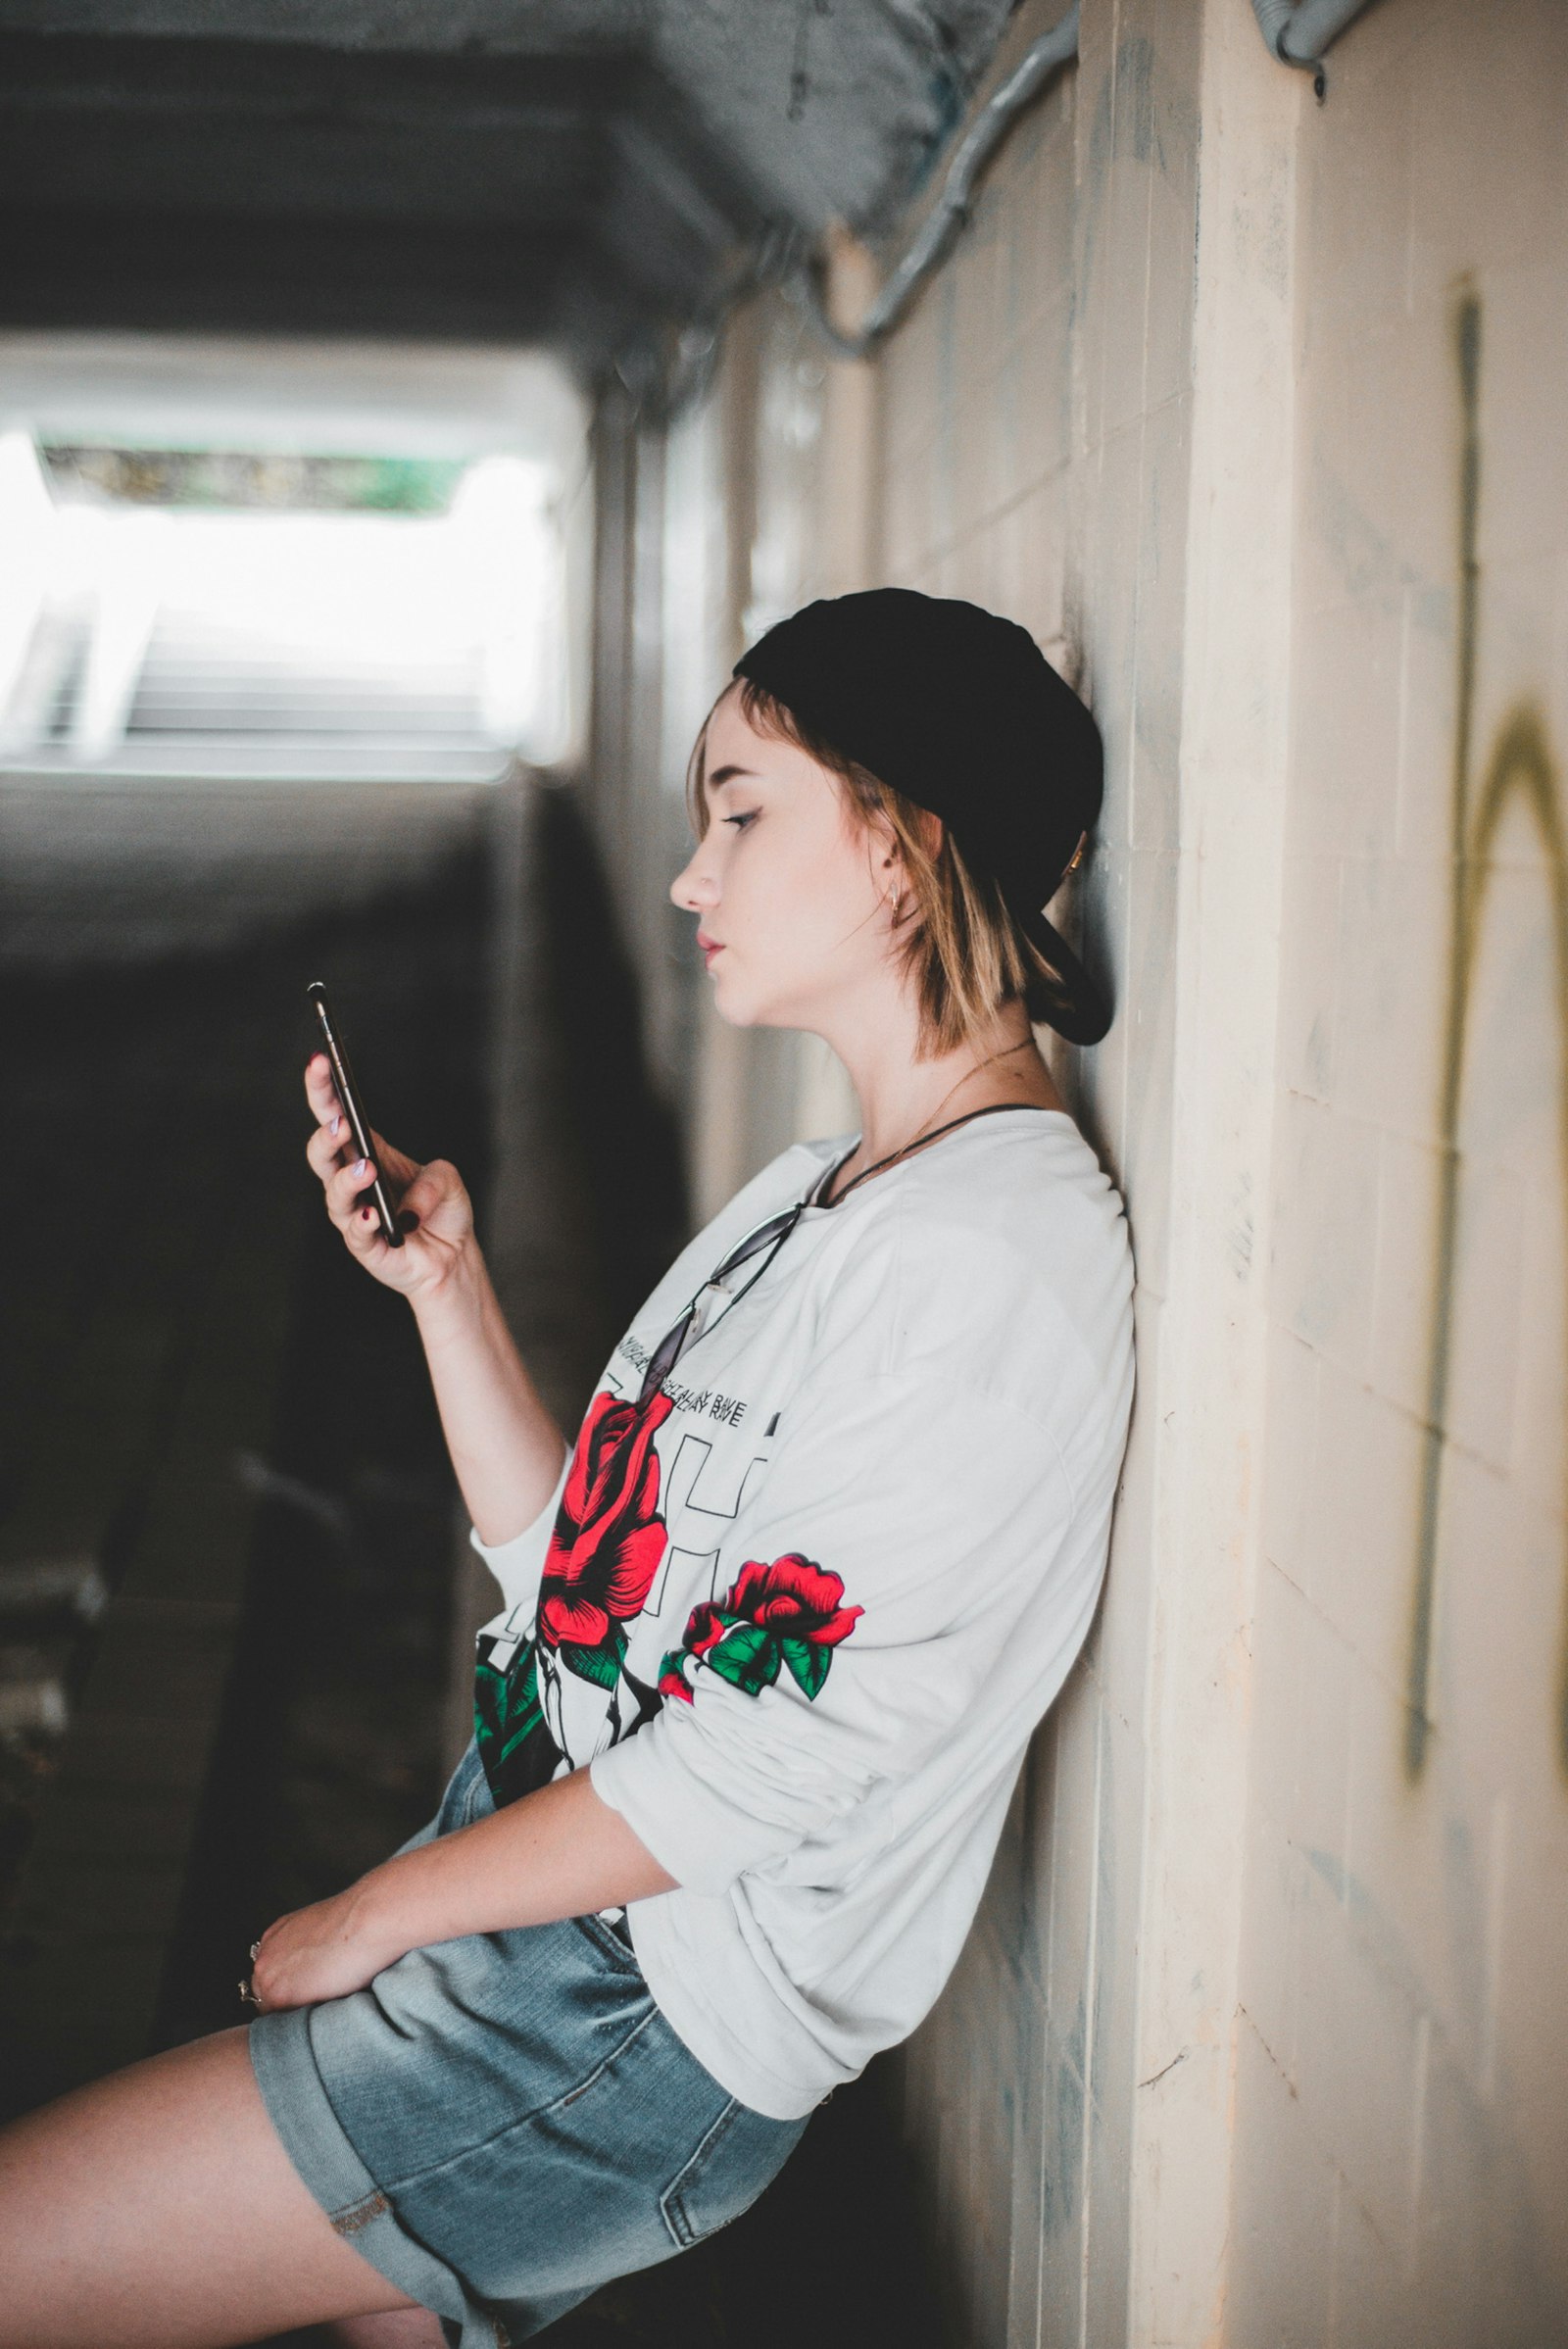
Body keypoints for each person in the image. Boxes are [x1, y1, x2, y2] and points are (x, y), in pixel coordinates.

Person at [0, 588, 1135, 2349]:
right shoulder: (824, 1199)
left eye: (743, 811)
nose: (692, 875)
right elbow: (585, 1583)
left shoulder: (996, 1258)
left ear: (904, 850)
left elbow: (768, 1762)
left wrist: (373, 1914)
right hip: (569, 1908)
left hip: (628, 2006)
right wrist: (448, 1287)